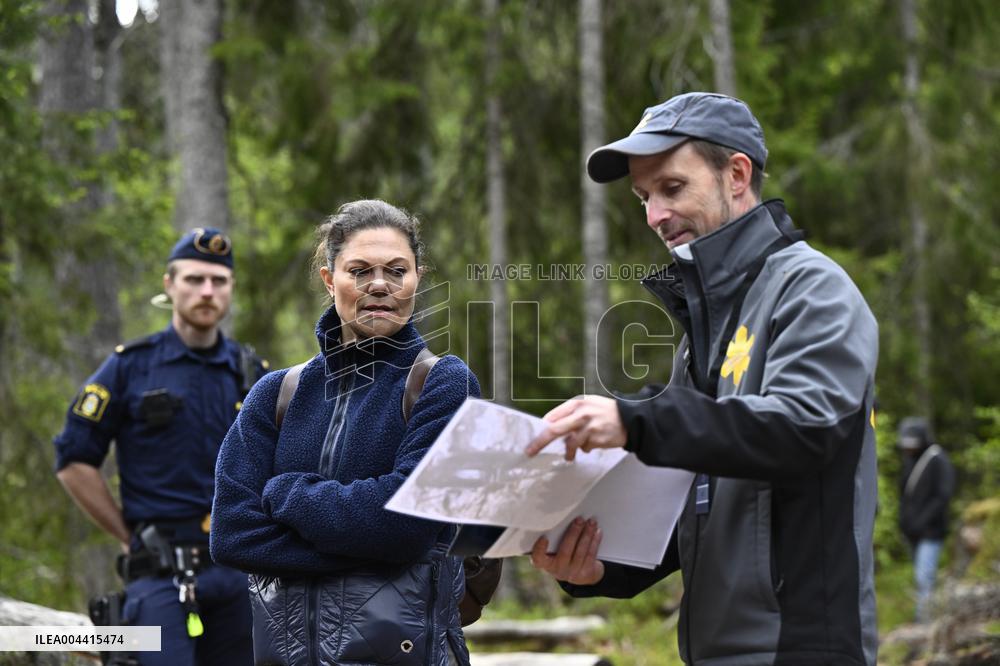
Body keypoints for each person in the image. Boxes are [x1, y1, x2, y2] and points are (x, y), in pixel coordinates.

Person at [525, 92, 880, 665]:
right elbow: (692, 506)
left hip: (799, 649)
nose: (653, 216)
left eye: (671, 188)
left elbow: (805, 431)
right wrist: (595, 567)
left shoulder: (812, 288)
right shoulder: (704, 333)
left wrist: (633, 419)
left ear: (736, 175)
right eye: (643, 197)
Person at [210, 200, 480, 666]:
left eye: (397, 270)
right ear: (329, 278)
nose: (380, 285)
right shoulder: (277, 393)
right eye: (360, 270)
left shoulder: (443, 383)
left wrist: (288, 495)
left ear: (418, 278)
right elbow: (232, 535)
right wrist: (377, 547)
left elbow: (404, 525)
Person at [53, 228, 267, 666]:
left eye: (218, 281)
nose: (207, 291)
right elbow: (74, 460)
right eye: (193, 279)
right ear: (169, 285)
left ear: (230, 289)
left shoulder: (253, 374)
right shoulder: (130, 366)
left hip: (238, 576)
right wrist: (128, 536)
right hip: (159, 577)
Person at [897, 416, 954, 622]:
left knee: (925, 576)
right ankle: (924, 616)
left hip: (931, 532)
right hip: (913, 532)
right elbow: (905, 496)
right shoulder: (910, 462)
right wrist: (904, 524)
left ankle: (925, 621)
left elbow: (943, 496)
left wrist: (922, 521)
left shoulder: (937, 459)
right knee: (920, 576)